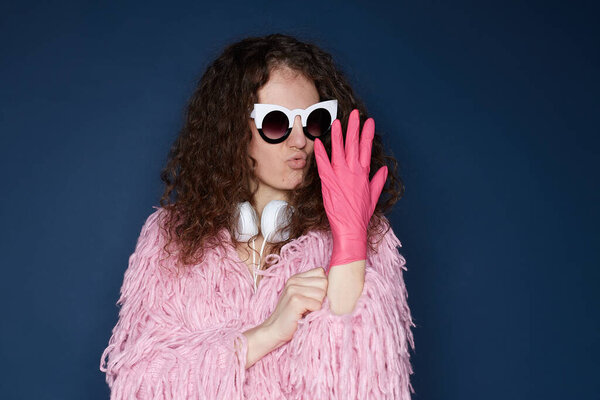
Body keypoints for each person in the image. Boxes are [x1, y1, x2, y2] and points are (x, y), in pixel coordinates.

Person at [99, 33, 415, 399]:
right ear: (233, 128)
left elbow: (367, 386)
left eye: (314, 121)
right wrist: (267, 333)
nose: (301, 141)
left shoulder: (366, 237)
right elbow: (136, 385)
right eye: (278, 123)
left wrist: (348, 248)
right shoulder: (171, 237)